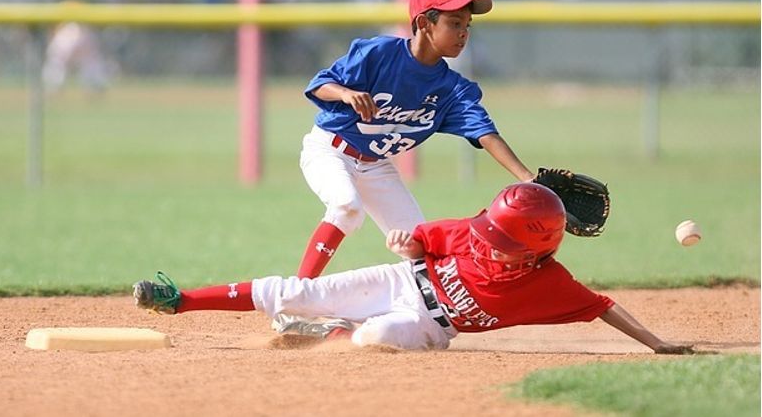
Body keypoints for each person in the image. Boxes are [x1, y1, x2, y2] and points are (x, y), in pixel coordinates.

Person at [133, 183, 693, 354]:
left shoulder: (553, 286)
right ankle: (178, 298)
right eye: (489, 229)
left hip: (432, 327)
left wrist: (657, 343)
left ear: (537, 252)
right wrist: (406, 244)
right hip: (399, 279)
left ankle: (335, 332)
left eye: (500, 240)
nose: (485, 239)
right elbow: (422, 243)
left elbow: (603, 308)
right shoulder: (471, 231)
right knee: (296, 291)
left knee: (374, 338)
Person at [295, 0, 534, 279]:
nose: (463, 33)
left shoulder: (453, 89)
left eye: (467, 26)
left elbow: (486, 134)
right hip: (330, 151)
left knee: (419, 244)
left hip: (376, 166)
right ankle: (296, 294)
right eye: (455, 23)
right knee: (347, 207)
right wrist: (345, 93)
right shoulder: (379, 54)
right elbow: (318, 85)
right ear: (424, 23)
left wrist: (529, 179)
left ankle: (421, 317)